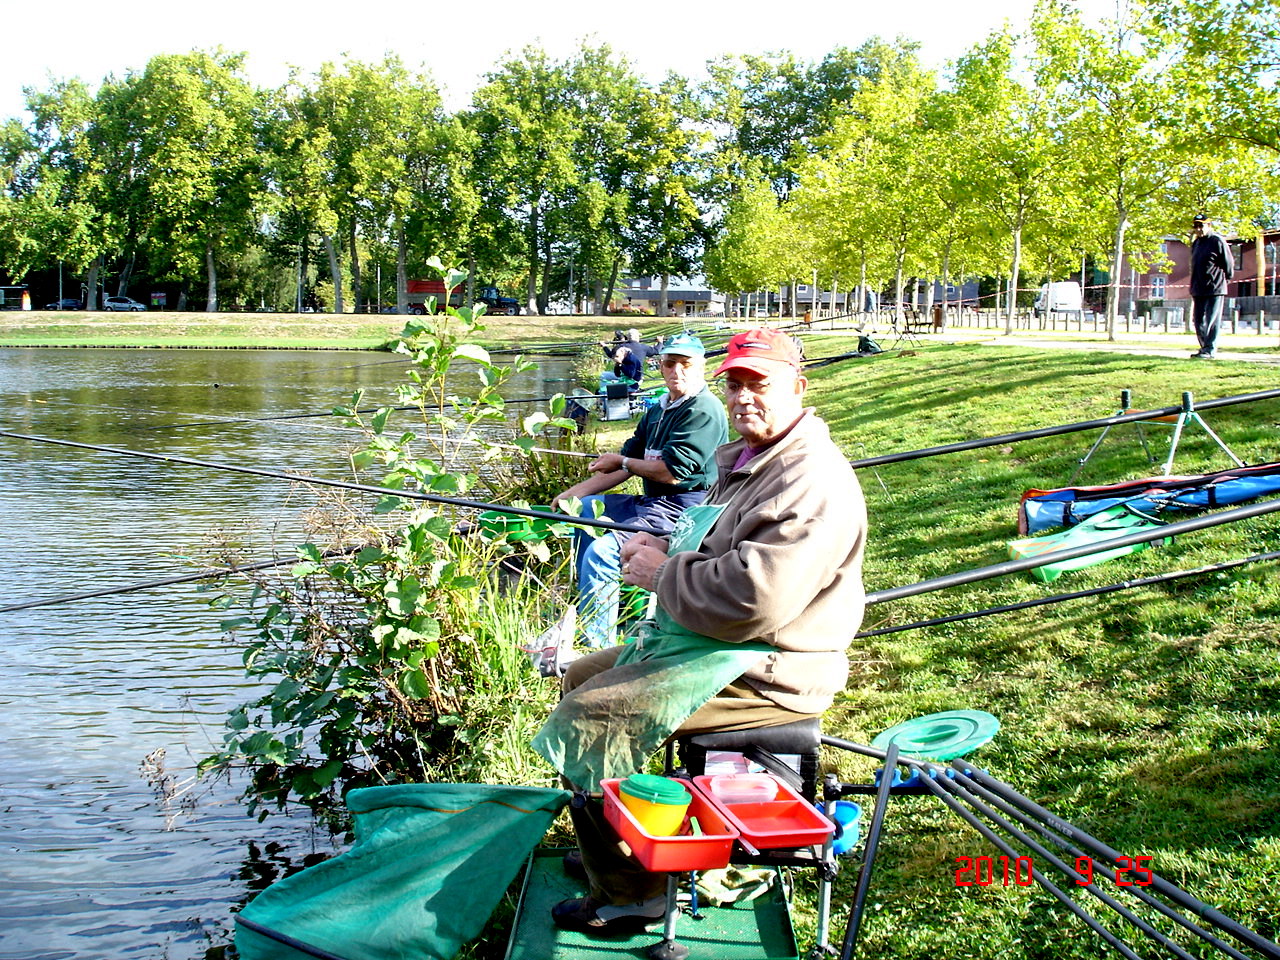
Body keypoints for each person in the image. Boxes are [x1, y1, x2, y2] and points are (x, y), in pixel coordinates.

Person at [536, 328, 867, 935]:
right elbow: (718, 547)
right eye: (734, 383)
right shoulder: (752, 458)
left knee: (592, 716)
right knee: (580, 674)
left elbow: (753, 599)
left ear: (799, 386)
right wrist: (666, 545)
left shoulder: (811, 480)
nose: (743, 398)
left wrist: (663, 574)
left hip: (766, 667)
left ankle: (634, 894)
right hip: (714, 644)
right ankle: (615, 841)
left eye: (758, 384)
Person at [552, 333, 727, 649]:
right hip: (653, 502)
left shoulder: (704, 410)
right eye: (670, 364)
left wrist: (624, 461)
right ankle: (592, 603)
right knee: (585, 511)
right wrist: (572, 495)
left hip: (688, 509)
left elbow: (672, 473)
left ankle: (597, 645)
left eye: (685, 364)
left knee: (602, 551)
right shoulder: (658, 409)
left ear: (701, 367)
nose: (677, 372)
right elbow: (623, 465)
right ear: (660, 367)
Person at [1189, 214, 1234, 359]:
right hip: (1198, 287)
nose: (1198, 229)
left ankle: (1210, 349)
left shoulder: (1217, 241)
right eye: (1196, 226)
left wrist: (1227, 278)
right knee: (1198, 320)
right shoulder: (1196, 243)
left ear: (1209, 226)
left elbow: (1228, 263)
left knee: (1212, 320)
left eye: (1201, 226)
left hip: (1215, 287)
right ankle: (1204, 348)